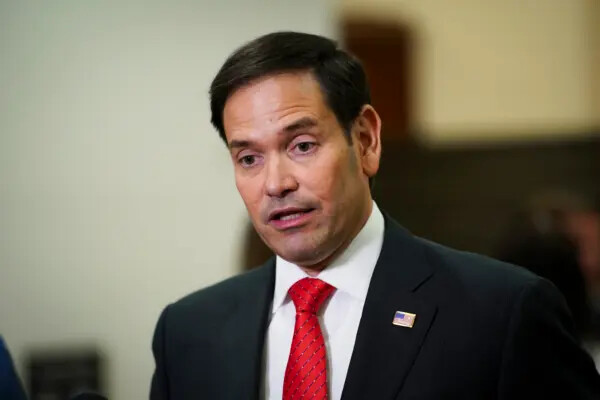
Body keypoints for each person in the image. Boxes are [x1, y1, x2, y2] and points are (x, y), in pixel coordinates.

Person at [150, 32, 600, 399]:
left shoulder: (503, 313)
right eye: (248, 158)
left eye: (301, 146)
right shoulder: (188, 332)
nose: (275, 183)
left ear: (365, 141)